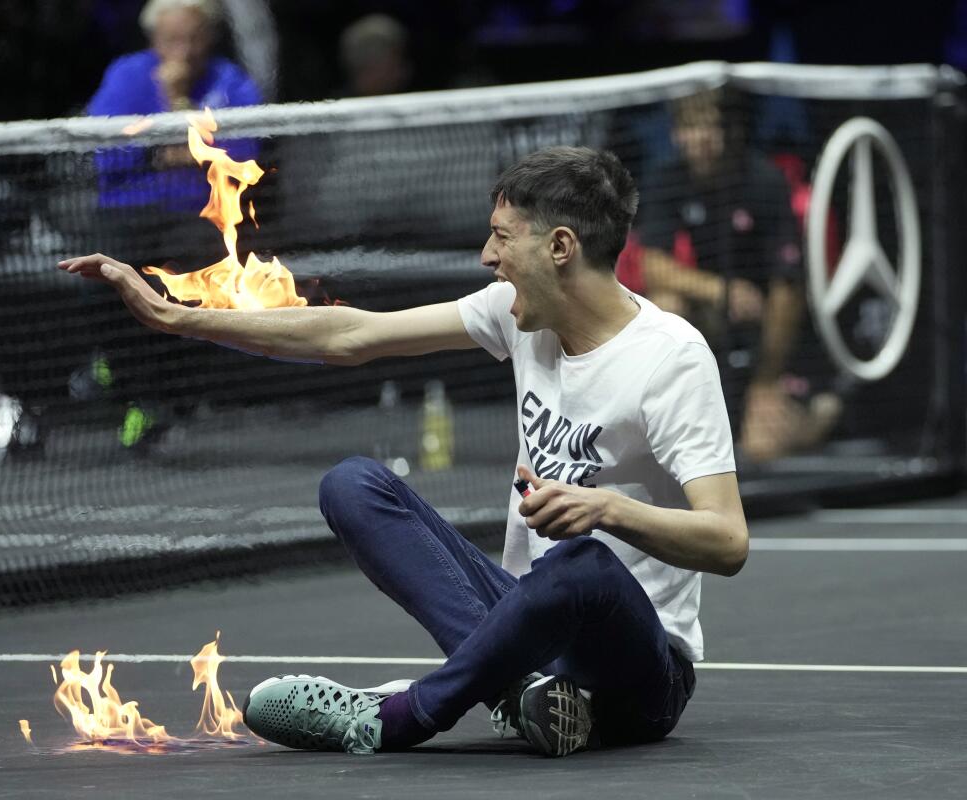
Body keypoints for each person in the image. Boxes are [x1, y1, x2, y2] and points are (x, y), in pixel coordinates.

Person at [58, 146, 749, 756]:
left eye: (502, 238)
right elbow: (349, 336)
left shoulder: (670, 360)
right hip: (528, 627)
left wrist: (607, 509)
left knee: (582, 567)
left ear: (560, 247)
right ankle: (524, 693)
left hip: (639, 670)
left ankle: (400, 716)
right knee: (353, 485)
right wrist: (176, 317)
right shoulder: (515, 316)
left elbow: (726, 541)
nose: (487, 256)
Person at [81, 0, 263, 448]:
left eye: (193, 37)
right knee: (104, 271)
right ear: (154, 39)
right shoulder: (127, 75)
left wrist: (175, 109)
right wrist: (164, 147)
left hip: (201, 222)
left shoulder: (230, 81)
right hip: (124, 219)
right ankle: (128, 385)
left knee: (183, 284)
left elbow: (247, 153)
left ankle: (148, 398)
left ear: (211, 37)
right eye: (172, 39)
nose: (183, 49)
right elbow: (99, 149)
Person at [632, 89, 839, 463]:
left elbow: (788, 286)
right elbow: (652, 267)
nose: (703, 138)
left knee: (761, 448)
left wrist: (767, 378)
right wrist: (721, 290)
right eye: (692, 127)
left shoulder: (764, 181)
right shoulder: (668, 179)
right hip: (717, 315)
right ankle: (673, 412)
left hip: (771, 326)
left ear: (733, 131)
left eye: (712, 126)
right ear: (677, 133)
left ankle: (817, 410)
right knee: (666, 304)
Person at [338, 13, 413, 98]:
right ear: (372, 64)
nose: (403, 71)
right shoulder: (336, 109)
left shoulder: (406, 101)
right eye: (396, 63)